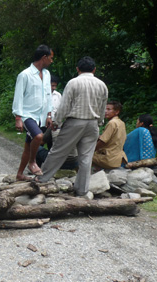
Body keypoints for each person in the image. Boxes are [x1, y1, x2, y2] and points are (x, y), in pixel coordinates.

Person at [36, 56, 108, 198]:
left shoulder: (73, 83)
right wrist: (99, 122)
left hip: (75, 122)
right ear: (94, 69)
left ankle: (41, 180)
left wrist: (56, 121)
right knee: (86, 158)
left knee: (57, 152)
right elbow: (102, 107)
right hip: (93, 123)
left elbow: (64, 105)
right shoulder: (102, 85)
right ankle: (82, 190)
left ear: (77, 69)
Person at [12, 45, 53, 180]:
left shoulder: (46, 74)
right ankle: (32, 162)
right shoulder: (25, 75)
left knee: (28, 146)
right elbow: (18, 96)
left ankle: (19, 174)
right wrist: (18, 117)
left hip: (41, 116)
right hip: (28, 115)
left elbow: (48, 95)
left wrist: (49, 114)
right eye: (50, 58)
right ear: (44, 57)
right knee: (39, 137)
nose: (51, 61)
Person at [92, 101, 128, 169]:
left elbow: (102, 141)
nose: (105, 111)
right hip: (117, 159)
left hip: (109, 158)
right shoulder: (121, 123)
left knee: (83, 156)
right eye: (105, 109)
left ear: (117, 112)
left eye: (109, 109)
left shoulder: (112, 123)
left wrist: (92, 150)